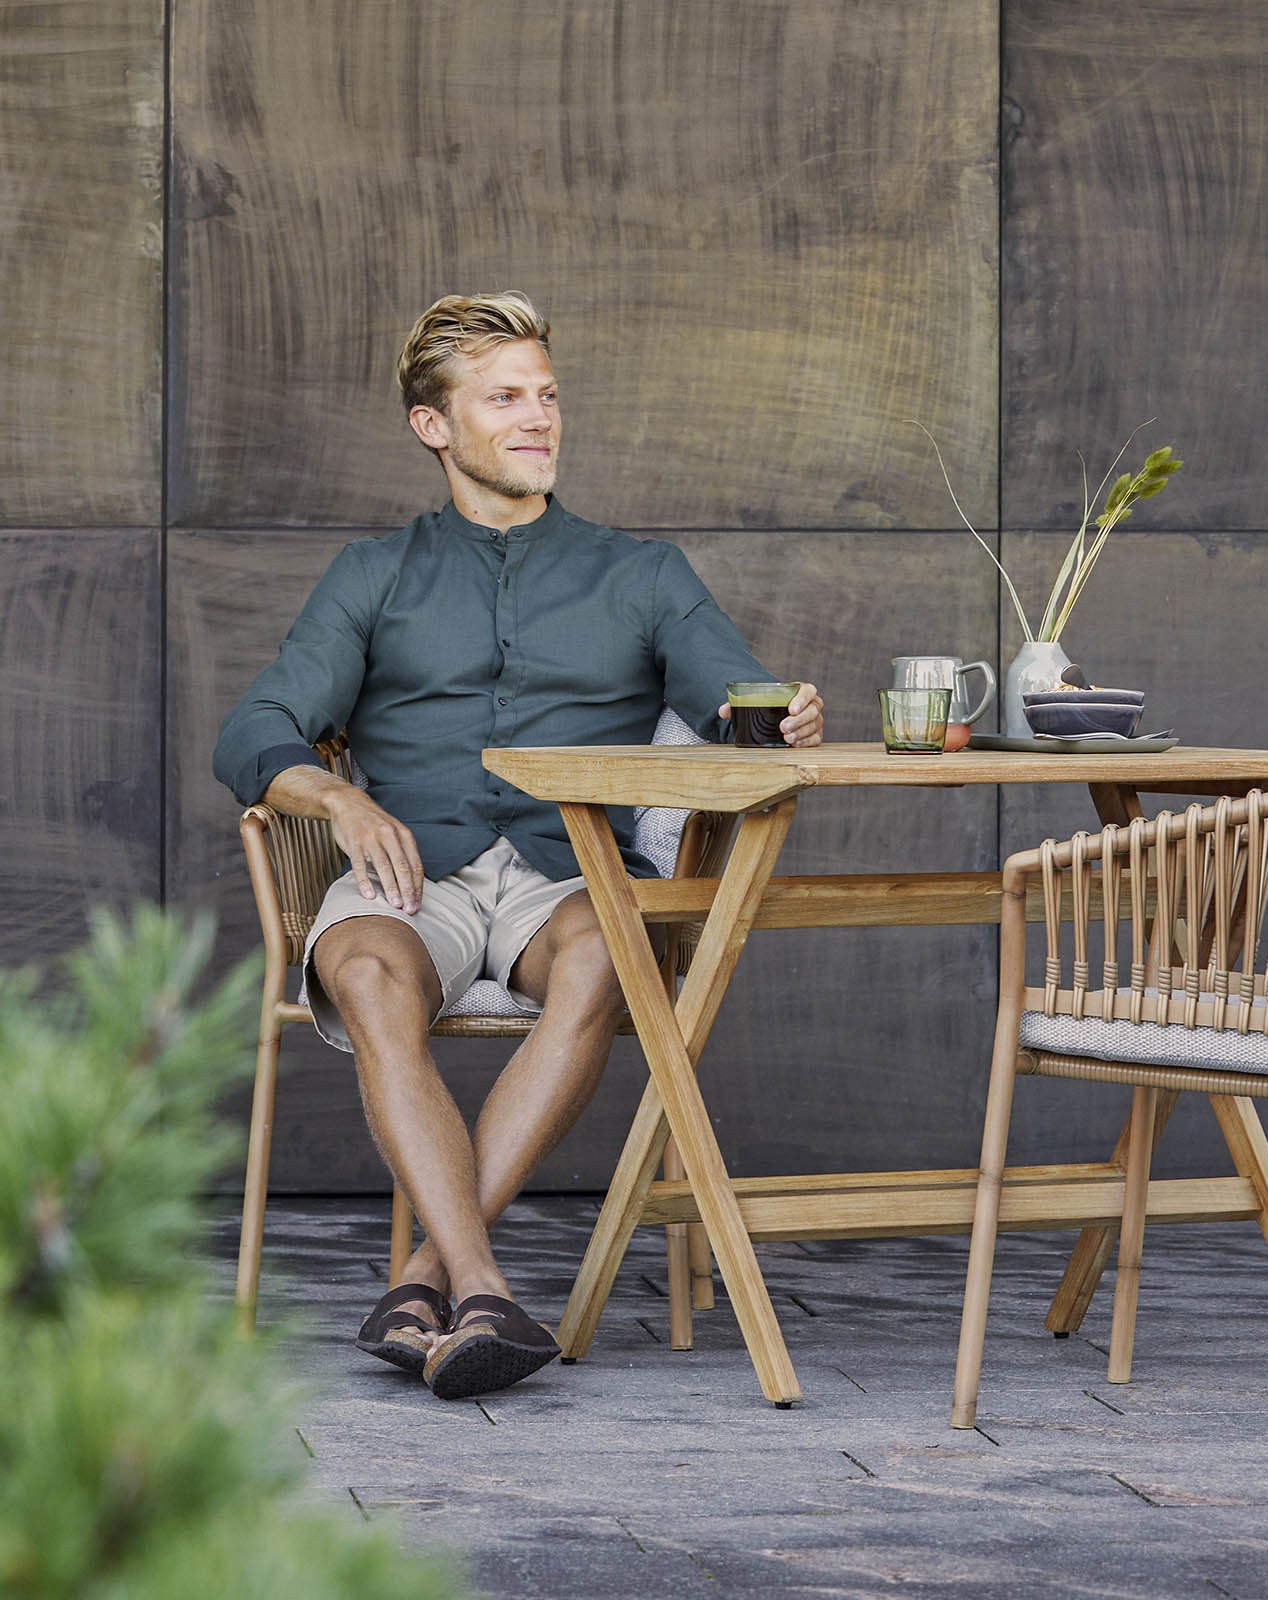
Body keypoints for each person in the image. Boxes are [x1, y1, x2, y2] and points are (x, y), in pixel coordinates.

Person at [213, 292, 824, 1400]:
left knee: (607, 953)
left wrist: (776, 718)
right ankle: (484, 1283)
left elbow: (740, 707)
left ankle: (426, 1280)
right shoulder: (374, 573)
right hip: (416, 872)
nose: (539, 418)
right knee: (360, 966)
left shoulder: (642, 573)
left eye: (547, 395)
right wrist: (340, 804)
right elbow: (254, 730)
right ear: (433, 426)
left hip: (571, 879)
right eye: (505, 398)